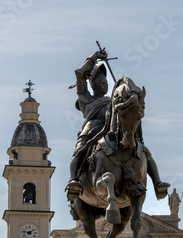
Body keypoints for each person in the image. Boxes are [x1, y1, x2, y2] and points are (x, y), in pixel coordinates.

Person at [65, 50, 170, 202]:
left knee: (142, 150)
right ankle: (74, 180)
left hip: (113, 129)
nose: (105, 84)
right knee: (79, 150)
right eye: (101, 82)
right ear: (93, 84)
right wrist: (94, 57)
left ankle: (157, 183)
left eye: (106, 82)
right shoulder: (85, 99)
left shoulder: (112, 100)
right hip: (93, 130)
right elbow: (80, 73)